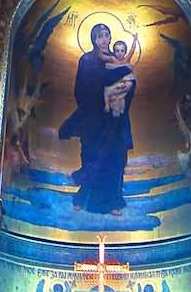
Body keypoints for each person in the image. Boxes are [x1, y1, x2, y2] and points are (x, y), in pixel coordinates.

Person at [59, 23, 136, 215]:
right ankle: (83, 198)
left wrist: (121, 92)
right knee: (92, 157)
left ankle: (113, 203)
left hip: (114, 120)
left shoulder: (116, 58)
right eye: (100, 36)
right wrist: (101, 93)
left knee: (114, 160)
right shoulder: (86, 60)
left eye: (107, 35)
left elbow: (130, 81)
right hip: (93, 118)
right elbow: (80, 89)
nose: (104, 40)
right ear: (94, 38)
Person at [101, 35, 138, 117]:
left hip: (122, 84)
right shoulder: (113, 59)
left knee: (125, 87)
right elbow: (103, 57)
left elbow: (132, 51)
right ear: (114, 52)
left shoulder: (126, 60)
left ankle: (117, 101)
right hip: (113, 85)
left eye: (122, 51)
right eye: (117, 51)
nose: (120, 53)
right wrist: (100, 49)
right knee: (106, 92)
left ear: (125, 52)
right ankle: (108, 105)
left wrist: (135, 41)